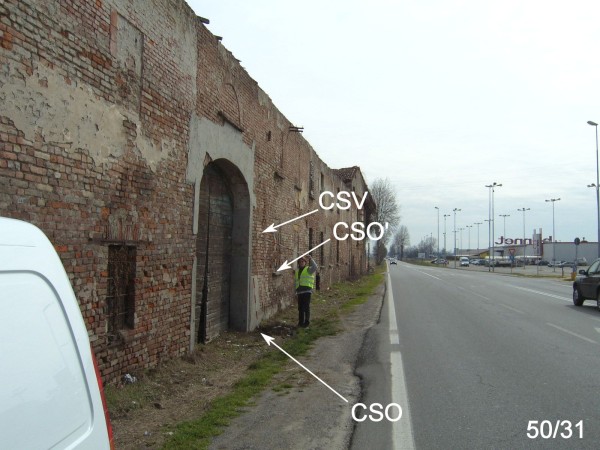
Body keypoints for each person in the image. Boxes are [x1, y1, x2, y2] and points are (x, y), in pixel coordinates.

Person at [295, 255, 318, 328]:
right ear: (298, 263)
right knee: (300, 308)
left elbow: (315, 267)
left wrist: (311, 258)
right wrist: (295, 291)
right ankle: (300, 323)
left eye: (303, 261)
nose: (301, 263)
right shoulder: (297, 271)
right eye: (300, 262)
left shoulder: (308, 269)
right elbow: (296, 282)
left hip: (307, 291)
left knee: (306, 307)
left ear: (305, 262)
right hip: (299, 292)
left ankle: (306, 322)